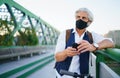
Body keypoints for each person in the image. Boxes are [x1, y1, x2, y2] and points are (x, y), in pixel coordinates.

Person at [54, 8, 114, 78]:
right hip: (62, 75)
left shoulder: (91, 35)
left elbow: (110, 42)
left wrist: (94, 46)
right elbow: (57, 57)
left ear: (89, 22)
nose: (80, 19)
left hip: (81, 76)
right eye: (78, 17)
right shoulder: (65, 33)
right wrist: (66, 53)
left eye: (84, 18)